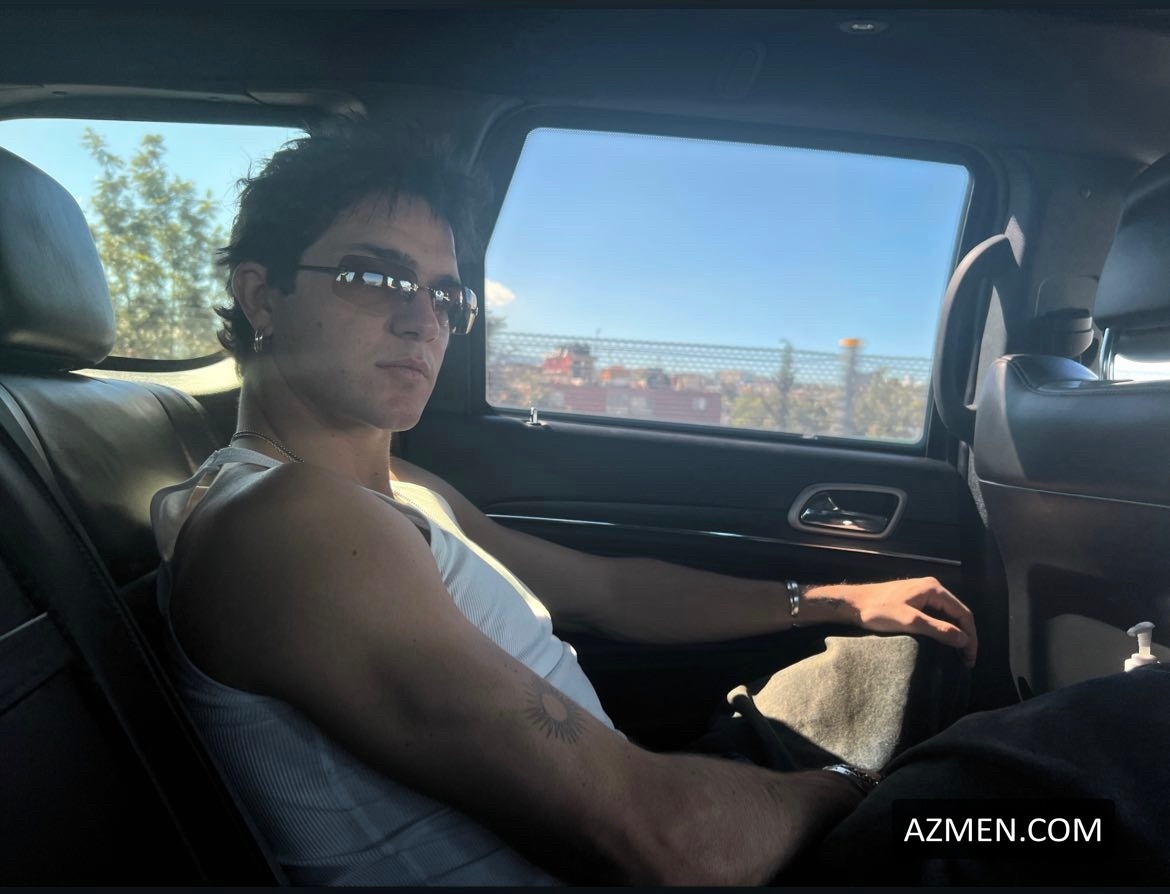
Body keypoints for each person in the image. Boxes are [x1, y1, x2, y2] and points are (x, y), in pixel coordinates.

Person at [150, 123, 978, 886]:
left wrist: (837, 599)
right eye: (375, 277)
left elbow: (608, 593)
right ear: (261, 295)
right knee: (1013, 793)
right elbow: (666, 843)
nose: (422, 321)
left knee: (906, 657)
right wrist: (855, 789)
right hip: (643, 845)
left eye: (445, 296)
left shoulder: (405, 489)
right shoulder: (290, 523)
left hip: (633, 799)